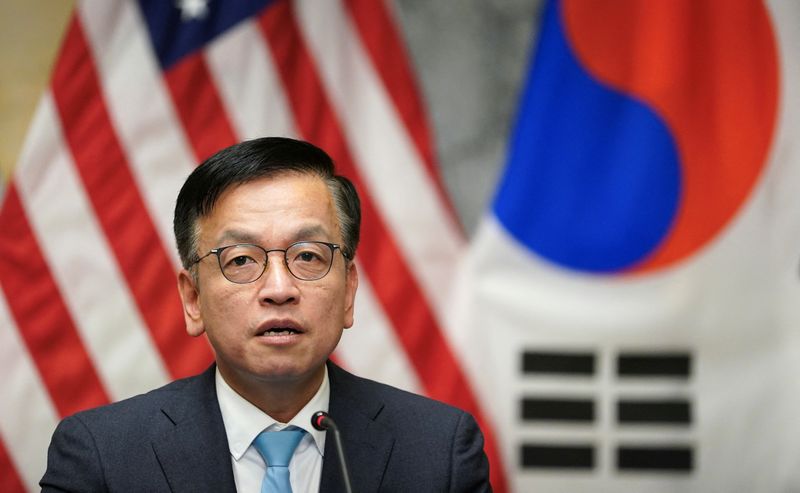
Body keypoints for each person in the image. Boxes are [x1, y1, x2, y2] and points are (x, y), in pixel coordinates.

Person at [40, 137, 491, 492]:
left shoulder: (439, 450)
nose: (280, 289)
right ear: (193, 299)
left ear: (349, 291)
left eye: (309, 256)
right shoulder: (102, 457)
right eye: (241, 260)